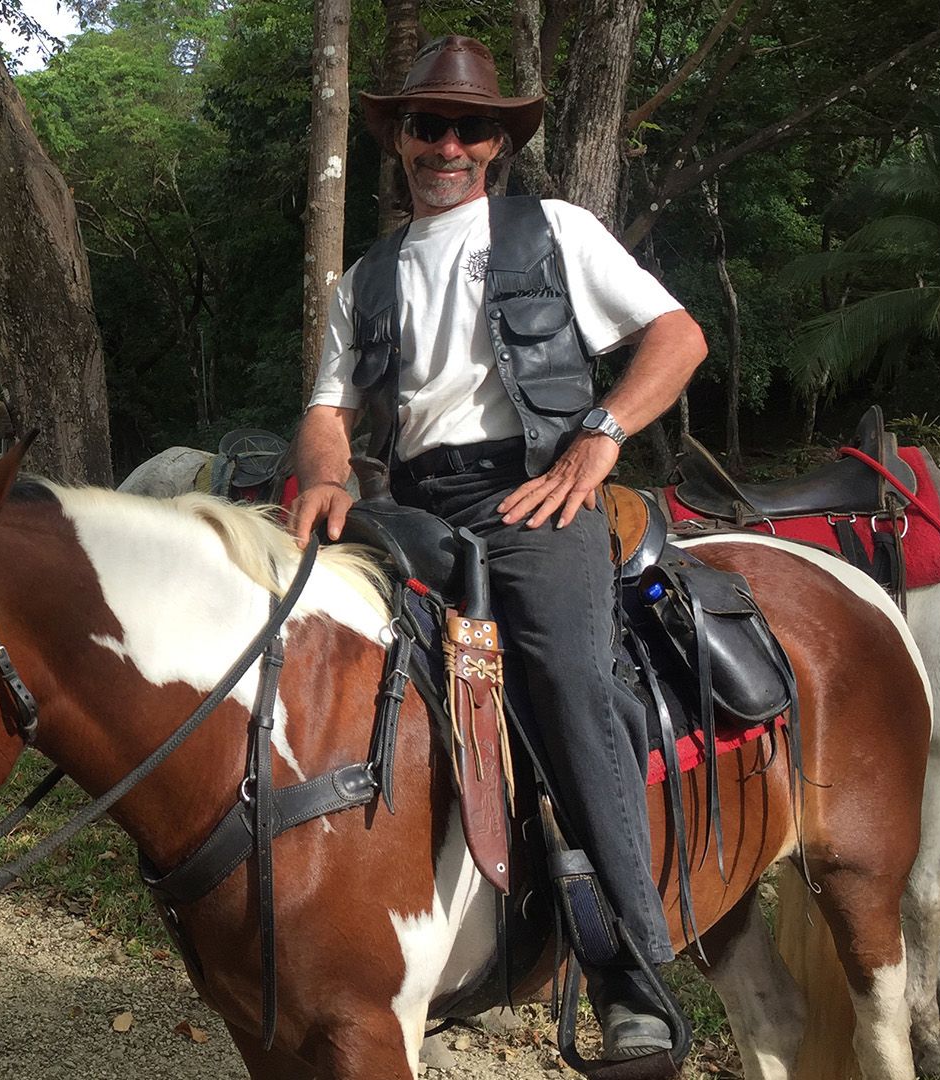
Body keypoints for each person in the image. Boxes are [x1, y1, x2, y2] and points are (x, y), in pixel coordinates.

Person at [289, 35, 707, 1060]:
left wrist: (599, 440)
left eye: (471, 127)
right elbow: (329, 408)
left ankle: (634, 974)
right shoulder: (368, 277)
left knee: (567, 680)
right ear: (396, 136)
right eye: (429, 124)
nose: (449, 143)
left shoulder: (551, 229)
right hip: (414, 504)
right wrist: (329, 477)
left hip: (534, 497)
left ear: (497, 143)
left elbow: (679, 337)